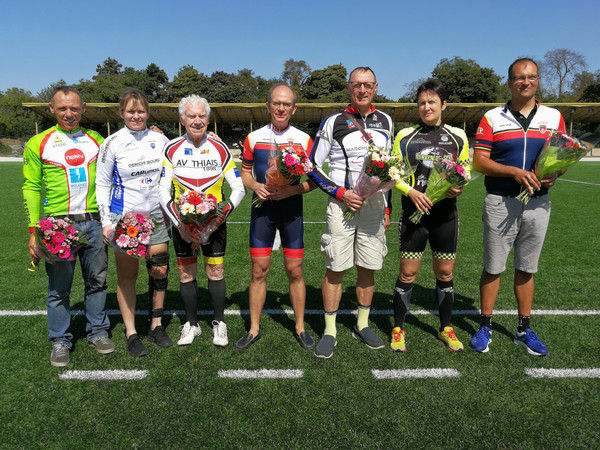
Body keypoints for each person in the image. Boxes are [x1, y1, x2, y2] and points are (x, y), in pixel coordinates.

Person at [469, 58, 566, 356]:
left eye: (532, 77)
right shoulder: (492, 117)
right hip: (500, 201)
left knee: (526, 267)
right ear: (510, 82)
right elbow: (479, 161)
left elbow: (562, 158)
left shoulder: (553, 116)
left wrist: (555, 174)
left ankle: (524, 329)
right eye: (520, 78)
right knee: (493, 267)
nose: (526, 82)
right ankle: (485, 326)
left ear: (537, 80)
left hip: (538, 204)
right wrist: (514, 172)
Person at [23, 86, 114, 367]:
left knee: (97, 282)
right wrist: (34, 231)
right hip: (57, 225)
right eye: (62, 108)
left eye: (74, 108)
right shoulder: (38, 142)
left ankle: (98, 332)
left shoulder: (97, 140)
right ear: (51, 109)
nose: (69, 113)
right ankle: (60, 340)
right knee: (59, 288)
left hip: (94, 221)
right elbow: (31, 186)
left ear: (83, 108)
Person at [308, 67, 394, 358]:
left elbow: (388, 169)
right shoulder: (333, 121)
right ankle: (330, 331)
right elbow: (312, 166)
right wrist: (340, 193)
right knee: (336, 267)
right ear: (349, 87)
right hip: (342, 204)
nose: (362, 90)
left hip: (375, 207)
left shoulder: (386, 121)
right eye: (357, 85)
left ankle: (362, 324)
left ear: (375, 88)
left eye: (367, 85)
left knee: (368, 266)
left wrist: (388, 207)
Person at [159, 95, 246, 347]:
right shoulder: (171, 148)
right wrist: (179, 224)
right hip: (183, 224)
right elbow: (162, 189)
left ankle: (219, 323)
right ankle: (192, 324)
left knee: (215, 271)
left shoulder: (220, 148)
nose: (197, 121)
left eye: (202, 116)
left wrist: (218, 219)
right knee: (185, 273)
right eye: (191, 116)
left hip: (215, 223)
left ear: (208, 119)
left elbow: (239, 188)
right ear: (182, 119)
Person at [390, 80, 470, 353]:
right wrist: (411, 191)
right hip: (414, 216)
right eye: (422, 103)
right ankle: (398, 329)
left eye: (432, 102)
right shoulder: (405, 136)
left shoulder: (458, 136)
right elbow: (393, 174)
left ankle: (446, 328)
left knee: (445, 273)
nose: (426, 107)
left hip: (445, 217)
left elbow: (464, 171)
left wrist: (460, 187)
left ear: (443, 105)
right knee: (407, 273)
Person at [236, 85, 316, 350]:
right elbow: (245, 172)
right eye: (276, 103)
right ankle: (254, 329)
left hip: (291, 211)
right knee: (259, 270)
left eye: (287, 104)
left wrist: (293, 190)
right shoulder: (253, 138)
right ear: (268, 105)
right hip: (262, 211)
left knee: (295, 270)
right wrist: (255, 185)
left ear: (294, 108)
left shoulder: (304, 140)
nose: (281, 108)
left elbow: (316, 181)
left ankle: (300, 327)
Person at [95, 88, 171, 357]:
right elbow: (102, 183)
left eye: (141, 111)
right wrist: (106, 221)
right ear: (121, 113)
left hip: (157, 216)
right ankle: (131, 333)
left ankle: (156, 326)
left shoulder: (160, 139)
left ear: (148, 113)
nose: (136, 116)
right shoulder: (112, 143)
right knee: (128, 276)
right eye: (131, 111)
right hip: (126, 219)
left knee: (159, 271)